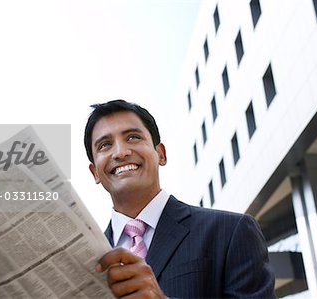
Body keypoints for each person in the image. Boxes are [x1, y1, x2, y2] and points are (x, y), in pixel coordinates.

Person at [84, 99, 275, 298]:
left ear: (161, 154)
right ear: (95, 172)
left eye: (132, 137)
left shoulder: (231, 231)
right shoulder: (90, 260)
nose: (121, 152)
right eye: (105, 145)